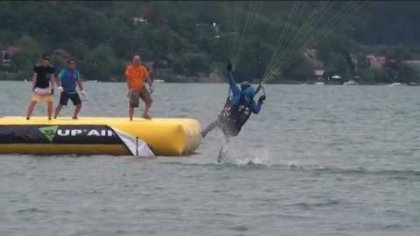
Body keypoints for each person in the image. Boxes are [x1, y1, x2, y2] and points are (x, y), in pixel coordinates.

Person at [201, 62, 266, 139]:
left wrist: (229, 71)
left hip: (227, 123)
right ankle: (224, 149)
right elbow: (257, 111)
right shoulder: (251, 103)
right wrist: (260, 102)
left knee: (219, 121)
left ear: (242, 88)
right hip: (236, 130)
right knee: (227, 132)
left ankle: (204, 132)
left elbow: (232, 82)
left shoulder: (237, 92)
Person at [26, 53, 58, 120]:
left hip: (47, 88)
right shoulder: (37, 67)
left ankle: (49, 118)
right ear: (42, 60)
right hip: (38, 88)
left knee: (50, 102)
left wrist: (52, 88)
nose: (46, 61)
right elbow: (34, 77)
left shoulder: (51, 68)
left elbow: (52, 78)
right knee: (33, 101)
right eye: (45, 59)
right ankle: (28, 117)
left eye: (47, 59)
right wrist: (33, 86)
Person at [125, 54, 153, 120]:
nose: (137, 62)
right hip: (134, 89)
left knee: (149, 101)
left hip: (142, 87)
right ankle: (130, 119)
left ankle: (145, 114)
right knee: (132, 105)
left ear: (140, 61)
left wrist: (150, 86)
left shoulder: (142, 68)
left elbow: (147, 77)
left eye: (138, 60)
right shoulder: (130, 68)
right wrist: (130, 89)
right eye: (135, 60)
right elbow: (128, 79)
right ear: (133, 61)